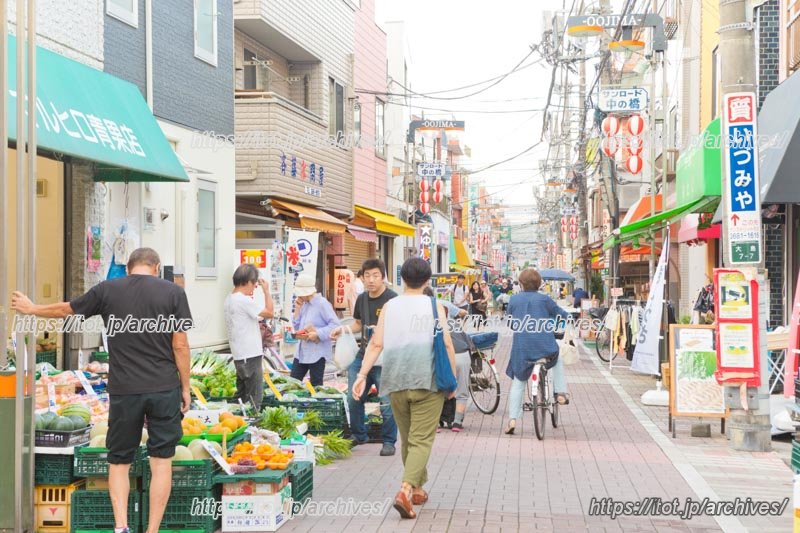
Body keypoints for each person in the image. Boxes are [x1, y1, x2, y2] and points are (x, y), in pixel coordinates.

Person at [11, 248, 193, 533]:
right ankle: (153, 530)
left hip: (125, 390)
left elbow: (67, 309)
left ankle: (121, 527)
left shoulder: (108, 289)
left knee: (119, 461)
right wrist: (186, 387)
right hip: (163, 387)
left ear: (129, 267)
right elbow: (180, 345)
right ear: (156, 267)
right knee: (161, 461)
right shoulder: (173, 293)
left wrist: (31, 309)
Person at [352, 257, 456, 519]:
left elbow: (376, 344)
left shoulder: (389, 306)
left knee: (409, 437)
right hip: (427, 382)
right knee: (421, 440)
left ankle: (418, 488)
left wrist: (361, 375)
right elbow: (446, 344)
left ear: (401, 279)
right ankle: (405, 490)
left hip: (395, 381)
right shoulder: (435, 306)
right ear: (428, 280)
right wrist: (452, 380)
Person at [331, 258, 398, 456]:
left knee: (386, 401)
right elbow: (358, 324)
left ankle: (389, 441)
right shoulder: (362, 299)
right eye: (367, 275)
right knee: (354, 396)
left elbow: (400, 329)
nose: (370, 280)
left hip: (386, 357)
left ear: (383, 277)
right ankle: (359, 435)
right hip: (363, 355)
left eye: (375, 275)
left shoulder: (392, 299)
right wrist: (343, 329)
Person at [504, 268, 570, 435]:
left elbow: (510, 322)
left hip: (522, 349)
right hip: (544, 347)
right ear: (539, 284)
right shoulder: (545, 300)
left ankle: (512, 419)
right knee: (558, 360)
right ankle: (560, 393)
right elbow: (562, 315)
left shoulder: (514, 300)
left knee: (518, 383)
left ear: (521, 284)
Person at [224, 264, 274, 410]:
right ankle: (253, 430)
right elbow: (270, 312)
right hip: (250, 355)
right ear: (248, 281)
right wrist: (266, 291)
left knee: (242, 399)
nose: (255, 287)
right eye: (255, 284)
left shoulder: (229, 299)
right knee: (254, 400)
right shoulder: (242, 300)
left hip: (240, 356)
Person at [423, 287, 470, 432]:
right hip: (461, 352)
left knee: (436, 388)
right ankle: (456, 423)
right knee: (461, 389)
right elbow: (463, 313)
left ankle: (436, 422)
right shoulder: (444, 305)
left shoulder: (419, 313)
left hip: (442, 353)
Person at [290, 274, 340, 386]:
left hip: (317, 352)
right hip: (301, 352)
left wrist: (317, 333)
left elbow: (335, 325)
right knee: (293, 383)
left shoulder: (322, 304)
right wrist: (297, 309)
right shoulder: (304, 304)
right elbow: (297, 327)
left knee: (316, 385)